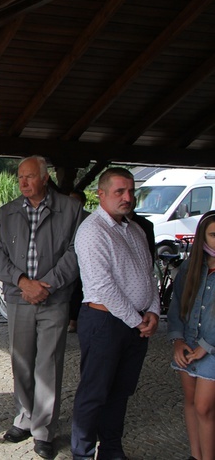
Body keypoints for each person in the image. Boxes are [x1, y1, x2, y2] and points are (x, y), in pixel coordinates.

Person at [0, 155, 83, 459]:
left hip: (54, 298)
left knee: (48, 364)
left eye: (29, 177)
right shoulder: (7, 212)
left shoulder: (71, 209)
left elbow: (76, 251)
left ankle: (43, 430)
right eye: (19, 178)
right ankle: (25, 418)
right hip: (19, 298)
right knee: (22, 362)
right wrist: (22, 282)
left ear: (45, 178)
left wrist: (48, 284)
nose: (23, 182)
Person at [71, 167, 159, 460]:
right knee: (94, 392)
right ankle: (82, 453)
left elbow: (149, 275)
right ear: (102, 194)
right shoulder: (92, 230)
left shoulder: (134, 229)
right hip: (105, 322)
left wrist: (154, 312)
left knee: (121, 392)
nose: (127, 197)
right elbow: (103, 287)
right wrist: (138, 321)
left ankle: (111, 449)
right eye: (120, 191)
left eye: (131, 191)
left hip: (135, 323)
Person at [167, 210, 215, 460]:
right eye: (214, 234)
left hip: (211, 348)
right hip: (188, 342)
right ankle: (195, 456)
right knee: (191, 402)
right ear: (202, 237)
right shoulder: (191, 267)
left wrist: (207, 345)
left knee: (205, 407)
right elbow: (176, 305)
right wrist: (177, 340)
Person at [67, 190, 91, 333]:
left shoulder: (88, 219)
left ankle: (74, 320)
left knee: (78, 291)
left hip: (84, 261)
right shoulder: (63, 218)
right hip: (67, 260)